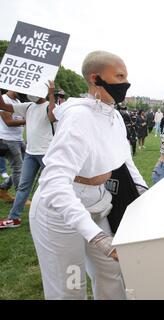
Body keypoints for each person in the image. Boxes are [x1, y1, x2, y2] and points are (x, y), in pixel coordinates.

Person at [29, 50, 148, 299]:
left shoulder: (114, 115)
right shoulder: (78, 117)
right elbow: (53, 182)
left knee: (112, 271)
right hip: (60, 212)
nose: (126, 82)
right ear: (95, 78)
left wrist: (144, 193)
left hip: (97, 202)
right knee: (70, 285)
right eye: (119, 76)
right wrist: (95, 237)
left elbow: (125, 159)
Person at [0, 81, 56, 229]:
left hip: (47, 153)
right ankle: (14, 218)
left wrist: (51, 95)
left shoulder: (51, 106)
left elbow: (52, 117)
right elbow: (3, 106)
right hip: (31, 153)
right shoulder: (28, 106)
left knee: (53, 185)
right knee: (23, 186)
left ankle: (57, 216)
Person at [0, 90, 26, 203]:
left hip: (19, 139)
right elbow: (8, 121)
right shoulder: (4, 100)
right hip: (8, 140)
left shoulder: (17, 100)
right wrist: (27, 120)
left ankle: (3, 188)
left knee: (25, 167)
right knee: (18, 168)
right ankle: (20, 199)